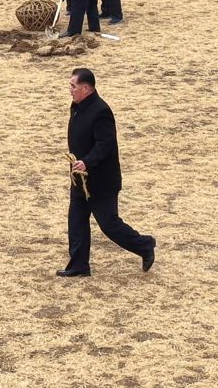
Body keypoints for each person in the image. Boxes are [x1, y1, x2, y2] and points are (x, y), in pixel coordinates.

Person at [59, 68, 156, 278]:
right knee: (76, 221)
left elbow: (105, 144)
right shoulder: (77, 107)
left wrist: (87, 162)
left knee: (109, 224)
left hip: (101, 181)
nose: (70, 90)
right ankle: (79, 265)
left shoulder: (101, 111)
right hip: (80, 179)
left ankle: (145, 245)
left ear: (86, 88)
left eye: (73, 86)